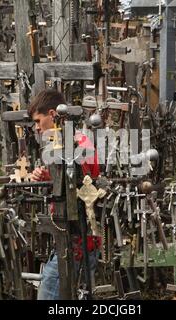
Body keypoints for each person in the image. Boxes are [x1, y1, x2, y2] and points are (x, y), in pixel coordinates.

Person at [28, 89, 100, 300]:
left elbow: (86, 175)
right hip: (69, 238)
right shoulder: (59, 144)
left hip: (77, 240)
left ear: (53, 114)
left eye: (38, 121)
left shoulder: (79, 142)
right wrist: (45, 175)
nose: (37, 127)